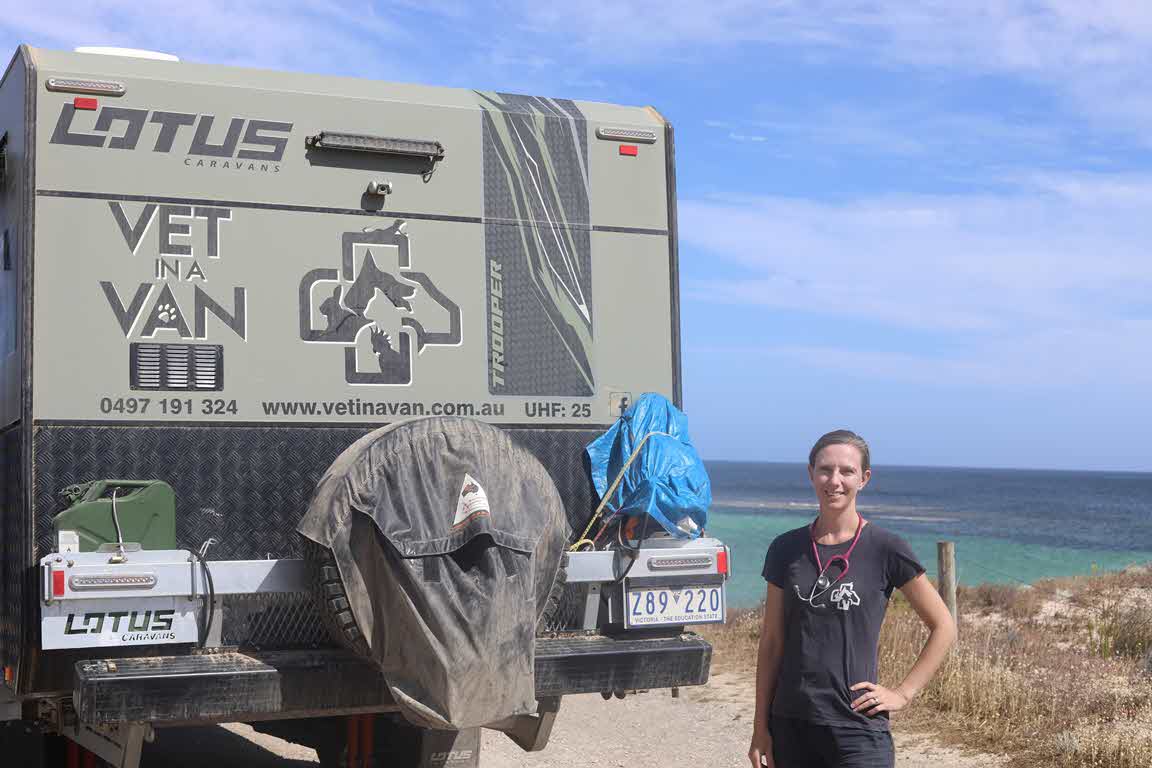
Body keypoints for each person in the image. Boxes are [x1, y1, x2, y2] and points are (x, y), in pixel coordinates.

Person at [748, 430, 957, 768]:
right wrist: (760, 728)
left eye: (847, 471)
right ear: (811, 474)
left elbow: (944, 626)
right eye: (825, 470)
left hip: (859, 730)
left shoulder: (886, 548)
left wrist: (903, 693)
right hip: (791, 725)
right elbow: (771, 643)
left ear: (864, 478)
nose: (835, 481)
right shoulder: (785, 549)